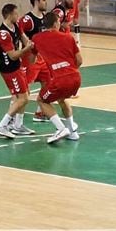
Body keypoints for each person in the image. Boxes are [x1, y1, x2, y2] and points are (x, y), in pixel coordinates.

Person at [31, 12, 83, 144]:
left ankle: (61, 128)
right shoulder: (69, 37)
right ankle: (72, 132)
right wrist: (70, 70)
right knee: (61, 99)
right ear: (55, 23)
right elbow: (80, 60)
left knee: (41, 100)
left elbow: (32, 60)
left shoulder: (37, 38)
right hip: (76, 78)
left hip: (59, 79)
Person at [0, 3, 35, 139]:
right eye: (16, 14)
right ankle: (2, 125)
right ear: (10, 15)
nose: (18, 16)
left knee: (24, 96)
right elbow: (12, 55)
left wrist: (31, 43)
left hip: (17, 67)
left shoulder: (15, 26)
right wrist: (26, 49)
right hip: (9, 70)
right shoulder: (3, 34)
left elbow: (24, 38)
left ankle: (18, 126)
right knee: (22, 99)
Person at [18, 0, 52, 123]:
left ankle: (40, 112)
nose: (46, 2)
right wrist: (27, 42)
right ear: (37, 1)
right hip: (29, 58)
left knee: (48, 83)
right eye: (43, 0)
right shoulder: (28, 19)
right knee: (23, 89)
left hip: (42, 59)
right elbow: (17, 29)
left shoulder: (45, 18)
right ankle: (14, 118)